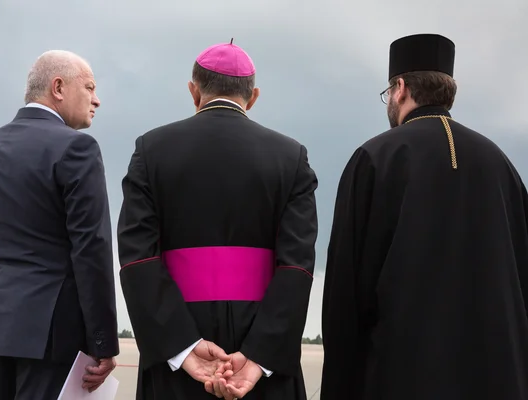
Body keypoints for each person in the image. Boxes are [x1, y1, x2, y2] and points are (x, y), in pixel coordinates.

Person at [320, 33, 528, 400]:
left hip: (401, 377)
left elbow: (346, 293)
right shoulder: (500, 164)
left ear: (400, 88)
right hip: (499, 378)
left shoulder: (374, 158)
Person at [117, 40, 319, 399]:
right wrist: (259, 356)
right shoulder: (291, 157)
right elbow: (298, 266)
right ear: (253, 97)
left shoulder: (151, 150)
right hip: (260, 350)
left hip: (179, 350)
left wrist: (182, 347)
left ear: (194, 92)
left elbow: (138, 258)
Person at [0, 50, 119, 399]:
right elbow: (91, 248)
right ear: (58, 87)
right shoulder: (77, 148)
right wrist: (103, 340)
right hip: (51, 332)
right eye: (90, 87)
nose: (97, 99)